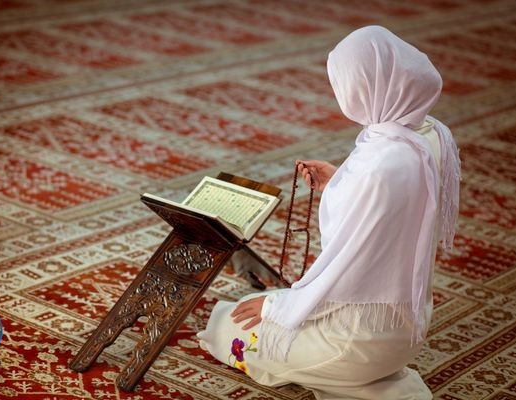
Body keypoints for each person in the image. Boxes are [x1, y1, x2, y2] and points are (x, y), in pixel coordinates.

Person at [196, 25, 460, 400]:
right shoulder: (429, 134)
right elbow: (392, 210)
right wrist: (340, 181)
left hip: (355, 342)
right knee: (252, 309)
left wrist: (275, 306)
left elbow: (345, 264)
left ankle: (377, 386)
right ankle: (376, 377)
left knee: (227, 325)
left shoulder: (378, 165)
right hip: (406, 325)